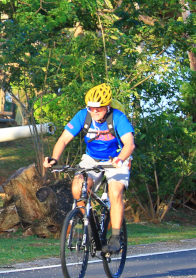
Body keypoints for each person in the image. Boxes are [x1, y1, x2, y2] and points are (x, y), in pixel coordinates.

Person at [43, 84, 135, 254]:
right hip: (92, 158)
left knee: (115, 192)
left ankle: (115, 238)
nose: (94, 111)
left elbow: (129, 144)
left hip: (117, 158)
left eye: (98, 108)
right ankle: (89, 223)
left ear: (107, 106)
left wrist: (120, 159)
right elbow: (63, 140)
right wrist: (54, 158)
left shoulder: (118, 118)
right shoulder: (83, 116)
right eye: (90, 108)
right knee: (78, 187)